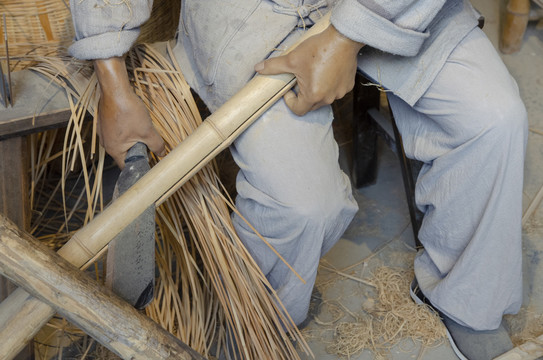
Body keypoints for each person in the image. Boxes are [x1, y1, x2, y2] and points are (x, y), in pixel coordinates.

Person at [69, 0, 528, 359]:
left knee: (494, 119)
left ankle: (465, 295)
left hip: (401, 7)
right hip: (255, 15)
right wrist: (111, 76)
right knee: (302, 205)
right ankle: (265, 325)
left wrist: (347, 36)